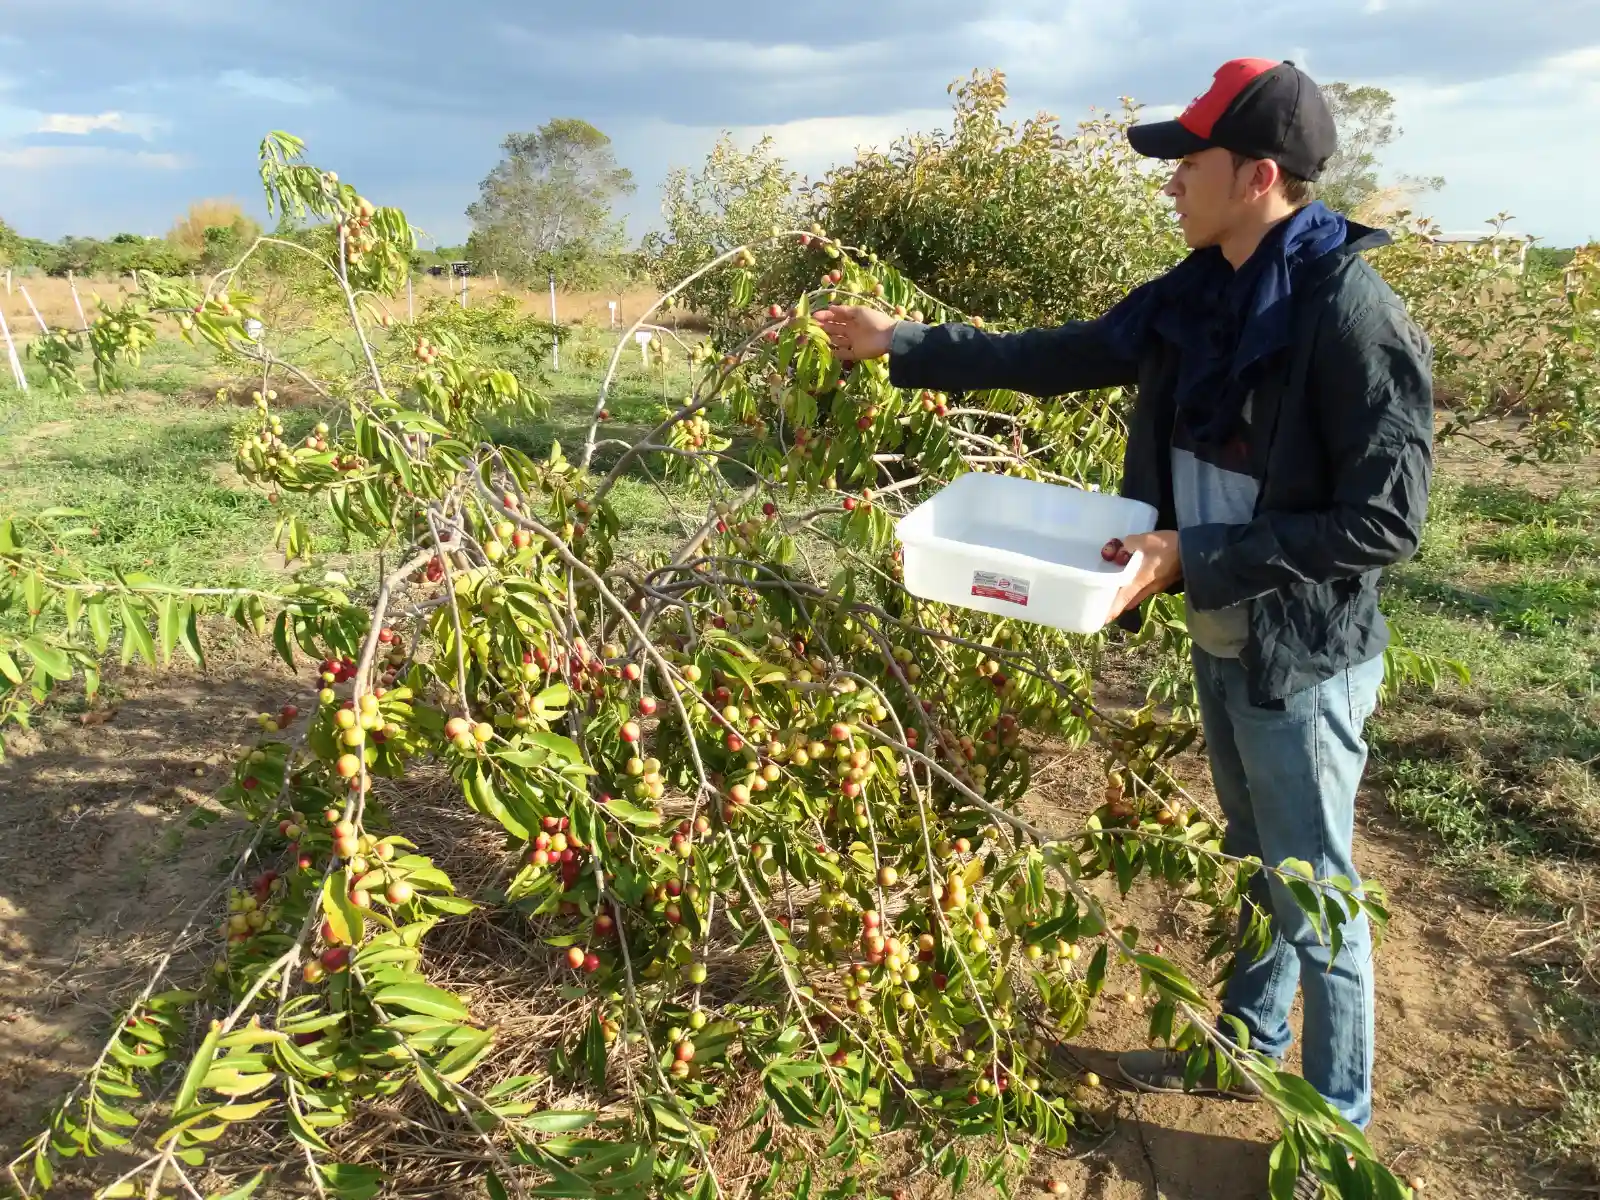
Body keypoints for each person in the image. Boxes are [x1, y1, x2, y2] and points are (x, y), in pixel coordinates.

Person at [814, 58, 1433, 1198]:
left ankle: (1335, 1132)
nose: (1169, 187)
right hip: (1217, 631)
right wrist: (905, 344)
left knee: (1319, 890)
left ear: (1255, 176)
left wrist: (1191, 556)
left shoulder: (1347, 309)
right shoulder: (1197, 290)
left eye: (1185, 166)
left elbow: (1386, 519)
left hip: (1299, 654)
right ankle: (1247, 1048)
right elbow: (1061, 355)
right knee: (1253, 859)